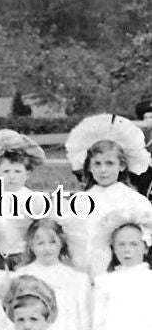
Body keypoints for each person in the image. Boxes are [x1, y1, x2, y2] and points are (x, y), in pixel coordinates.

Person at [64, 113, 152, 274]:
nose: (103, 170)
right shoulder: (80, 202)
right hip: (87, 271)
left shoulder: (134, 201)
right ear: (89, 167)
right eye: (97, 164)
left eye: (110, 163)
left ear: (122, 165)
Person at [15, 219, 92, 330]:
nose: (47, 248)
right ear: (31, 245)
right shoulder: (20, 276)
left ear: (61, 243)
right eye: (40, 243)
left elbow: (84, 320)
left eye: (52, 242)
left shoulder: (77, 278)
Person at [0, 130, 47, 268]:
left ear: (27, 174)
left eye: (17, 171)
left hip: (23, 256)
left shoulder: (32, 199)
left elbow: (43, 228)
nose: (11, 176)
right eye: (6, 171)